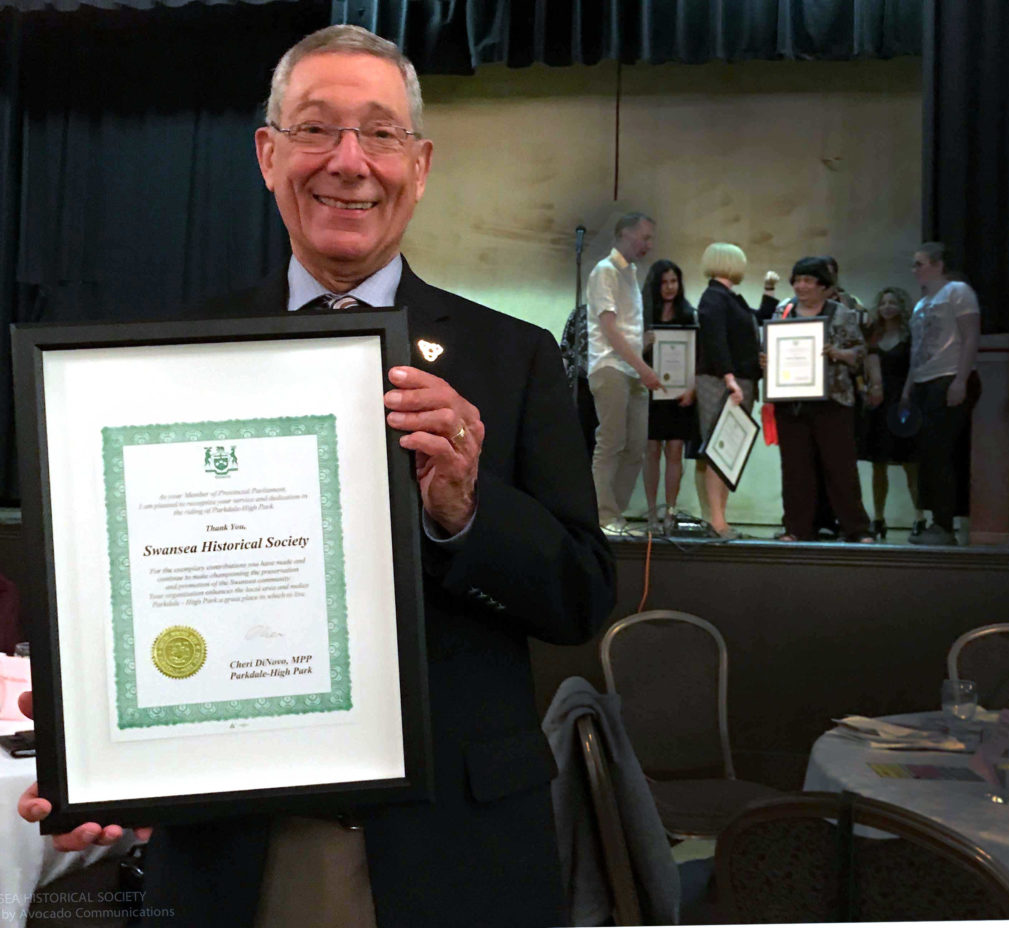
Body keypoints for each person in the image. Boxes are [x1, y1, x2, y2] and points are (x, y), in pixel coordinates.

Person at [17, 26, 615, 928]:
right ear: (267, 154)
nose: (349, 161)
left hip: (458, 849)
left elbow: (579, 599)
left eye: (379, 133)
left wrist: (465, 511)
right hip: (236, 850)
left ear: (419, 164)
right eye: (315, 129)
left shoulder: (515, 357)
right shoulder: (159, 360)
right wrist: (101, 752)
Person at [768, 257, 873, 543]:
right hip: (791, 402)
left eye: (808, 280)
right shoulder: (783, 310)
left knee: (840, 468)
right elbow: (768, 346)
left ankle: (857, 528)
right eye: (797, 280)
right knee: (795, 469)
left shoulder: (840, 313)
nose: (801, 286)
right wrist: (767, 360)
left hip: (834, 401)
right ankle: (797, 529)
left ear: (823, 286)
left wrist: (837, 353)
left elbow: (859, 354)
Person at [901, 242, 981, 546]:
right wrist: (908, 388)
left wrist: (961, 379)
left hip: (947, 378)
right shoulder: (922, 303)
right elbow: (917, 350)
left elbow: (971, 335)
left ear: (938, 265)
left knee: (943, 452)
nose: (914, 269)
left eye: (919, 263)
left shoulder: (957, 291)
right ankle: (937, 521)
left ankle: (945, 524)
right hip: (923, 382)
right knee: (928, 455)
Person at [586, 213, 661, 534]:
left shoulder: (632, 273)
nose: (648, 244)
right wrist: (644, 367)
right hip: (610, 367)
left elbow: (624, 330)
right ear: (624, 234)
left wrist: (645, 344)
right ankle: (601, 516)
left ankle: (614, 514)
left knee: (635, 447)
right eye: (644, 237)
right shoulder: (605, 271)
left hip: (630, 368)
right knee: (612, 442)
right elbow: (608, 328)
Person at [694, 243, 773, 539]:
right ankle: (717, 521)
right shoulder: (714, 298)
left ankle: (719, 519)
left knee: (730, 451)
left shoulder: (728, 298)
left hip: (739, 380)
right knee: (720, 449)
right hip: (723, 381)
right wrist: (729, 379)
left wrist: (768, 289)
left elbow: (758, 318)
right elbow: (715, 340)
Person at [858, 287, 925, 539]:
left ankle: (919, 517)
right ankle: (878, 518)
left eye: (893, 302)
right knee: (878, 464)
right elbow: (864, 366)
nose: (887, 307)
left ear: (901, 306)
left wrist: (907, 395)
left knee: (910, 463)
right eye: (883, 302)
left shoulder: (910, 335)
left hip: (903, 400)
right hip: (878, 401)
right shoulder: (873, 335)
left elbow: (915, 367)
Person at [640, 259, 697, 535]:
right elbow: (628, 355)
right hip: (651, 392)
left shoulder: (689, 315)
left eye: (674, 281)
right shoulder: (642, 316)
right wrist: (643, 343)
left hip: (680, 395)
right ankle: (652, 513)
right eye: (664, 282)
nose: (670, 287)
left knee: (675, 451)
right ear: (655, 284)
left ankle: (670, 512)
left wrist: (692, 388)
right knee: (651, 451)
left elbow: (699, 357)